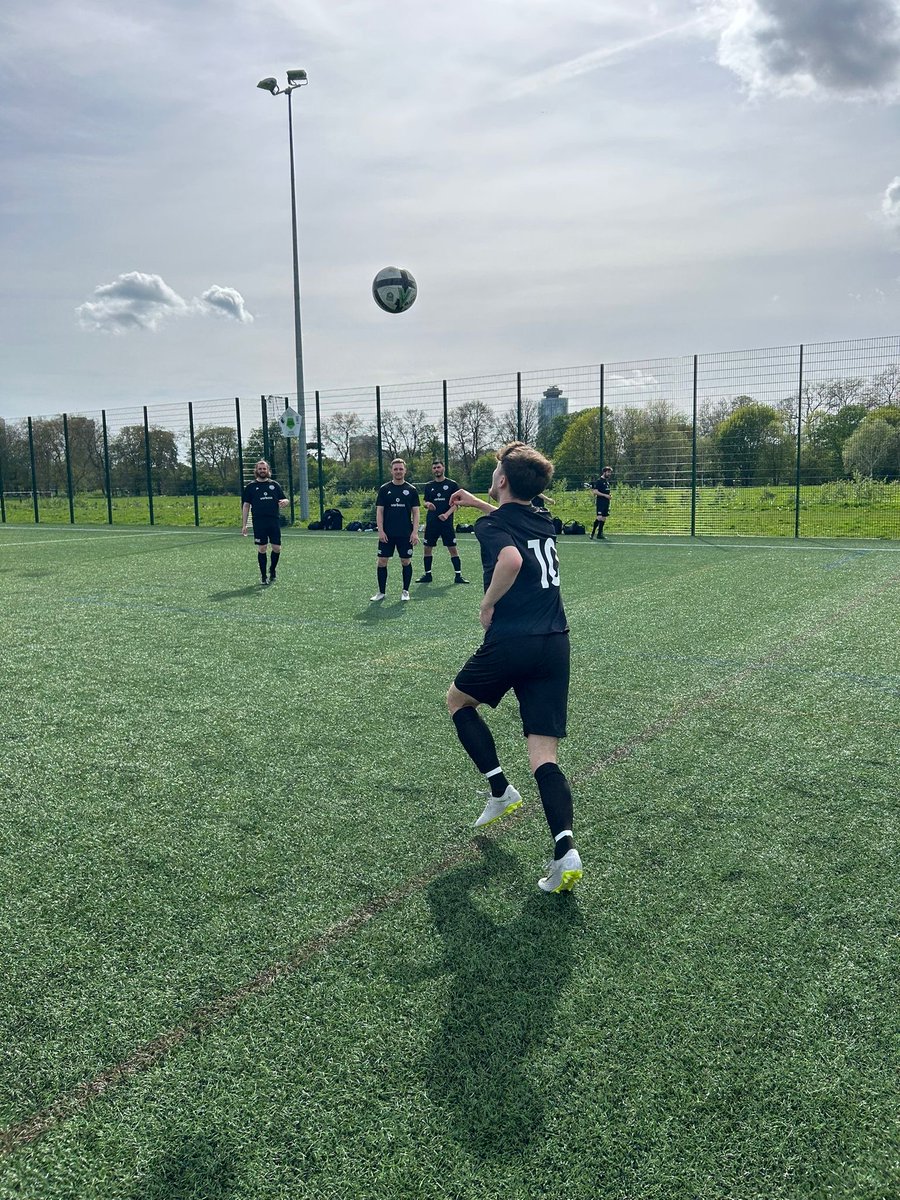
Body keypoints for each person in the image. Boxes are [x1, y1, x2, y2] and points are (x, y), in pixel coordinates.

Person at [446, 441, 582, 894]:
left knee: (458, 701)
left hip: (513, 640)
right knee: (544, 756)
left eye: (496, 471)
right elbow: (515, 521)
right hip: (555, 643)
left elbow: (511, 555)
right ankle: (564, 851)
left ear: (502, 479)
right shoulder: (543, 518)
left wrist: (487, 604)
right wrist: (473, 502)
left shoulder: (493, 526)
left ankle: (500, 789)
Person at [371, 458, 420, 602]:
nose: (398, 471)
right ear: (391, 471)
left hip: (405, 533)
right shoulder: (384, 489)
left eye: (400, 469)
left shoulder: (411, 490)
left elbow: (416, 512)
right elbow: (379, 511)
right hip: (387, 533)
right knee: (382, 561)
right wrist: (380, 531)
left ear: (405, 470)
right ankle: (381, 592)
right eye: (396, 469)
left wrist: (415, 532)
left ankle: (405, 591)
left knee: (405, 561)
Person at [418, 459, 469, 585]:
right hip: (432, 522)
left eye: (438, 467)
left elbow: (456, 504)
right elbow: (425, 502)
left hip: (446, 522)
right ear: (432, 470)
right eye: (434, 468)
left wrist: (446, 515)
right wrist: (428, 504)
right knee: (427, 548)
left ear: (443, 468)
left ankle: (458, 576)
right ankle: (428, 575)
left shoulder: (452, 485)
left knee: (452, 548)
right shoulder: (429, 486)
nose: (436, 470)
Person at [241, 459, 289, 586]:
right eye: (260, 469)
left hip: (273, 520)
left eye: (264, 469)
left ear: (268, 471)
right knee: (262, 548)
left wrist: (286, 502)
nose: (262, 471)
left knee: (276, 548)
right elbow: (246, 506)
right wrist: (244, 525)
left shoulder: (274, 485)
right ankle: (263, 576)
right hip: (259, 522)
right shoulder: (251, 487)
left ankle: (272, 569)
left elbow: (284, 499)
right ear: (256, 471)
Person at [589, 467, 613, 539]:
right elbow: (595, 492)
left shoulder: (607, 482)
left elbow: (606, 491)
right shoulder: (599, 481)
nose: (609, 474)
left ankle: (599, 534)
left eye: (610, 472)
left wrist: (609, 495)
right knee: (599, 518)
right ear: (604, 472)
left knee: (604, 518)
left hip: (606, 502)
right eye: (608, 472)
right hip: (600, 502)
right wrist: (605, 495)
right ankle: (592, 533)